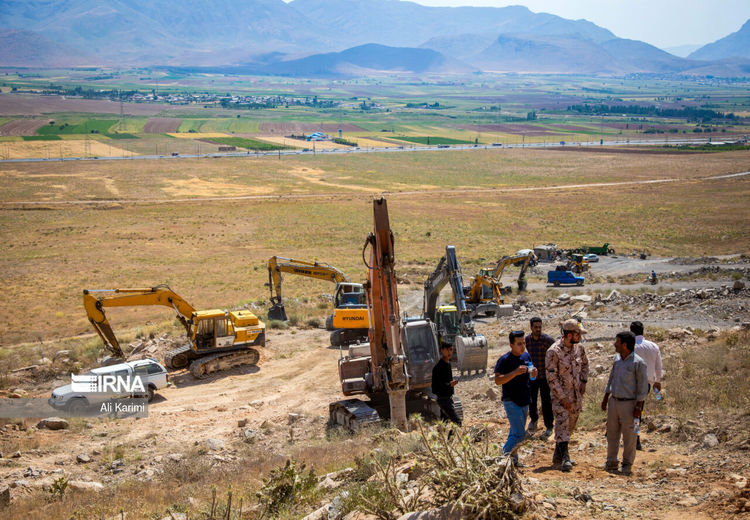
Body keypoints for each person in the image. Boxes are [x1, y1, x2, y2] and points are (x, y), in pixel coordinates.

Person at [601, 331, 649, 476]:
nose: (615, 344)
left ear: (625, 344)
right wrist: (605, 397)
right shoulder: (617, 359)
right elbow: (611, 378)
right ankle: (611, 461)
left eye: (617, 342)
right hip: (614, 402)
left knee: (630, 435)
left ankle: (627, 464)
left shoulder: (638, 363)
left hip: (630, 404)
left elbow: (642, 387)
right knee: (612, 433)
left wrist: (638, 407)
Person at [546, 319, 589, 472]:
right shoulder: (554, 351)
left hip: (576, 395)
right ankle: (566, 457)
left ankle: (558, 455)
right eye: (578, 334)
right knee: (561, 423)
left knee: (570, 425)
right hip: (560, 397)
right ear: (570, 335)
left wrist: (583, 381)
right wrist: (562, 398)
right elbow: (552, 377)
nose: (580, 337)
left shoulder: (579, 349)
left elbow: (585, 364)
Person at [494, 330, 537, 465]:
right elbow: (498, 380)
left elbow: (531, 378)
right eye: (519, 344)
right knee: (519, 434)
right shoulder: (504, 360)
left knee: (514, 433)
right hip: (511, 401)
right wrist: (515, 372)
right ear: (511, 345)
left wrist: (534, 373)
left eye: (523, 343)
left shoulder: (526, 357)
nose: (522, 346)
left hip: (524, 400)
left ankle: (513, 460)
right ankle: (501, 458)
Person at [630, 321, 663, 450]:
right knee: (638, 411)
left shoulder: (630, 346)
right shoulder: (653, 346)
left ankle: (630, 437)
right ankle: (636, 439)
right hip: (646, 385)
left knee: (626, 410)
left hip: (631, 383)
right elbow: (658, 367)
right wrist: (658, 381)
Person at [525, 317, 555, 437]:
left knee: (546, 402)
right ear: (531, 327)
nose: (538, 329)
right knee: (531, 400)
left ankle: (549, 426)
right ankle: (534, 420)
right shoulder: (527, 340)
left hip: (544, 376)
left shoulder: (547, 340)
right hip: (532, 376)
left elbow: (556, 350)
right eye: (535, 327)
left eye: (540, 327)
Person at [431, 343, 461, 425]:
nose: (449, 352)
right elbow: (435, 388)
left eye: (451, 350)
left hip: (448, 399)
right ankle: (449, 438)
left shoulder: (448, 364)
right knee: (457, 423)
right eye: (447, 350)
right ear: (442, 350)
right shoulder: (438, 368)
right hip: (443, 400)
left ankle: (438, 437)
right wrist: (449, 385)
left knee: (443, 424)